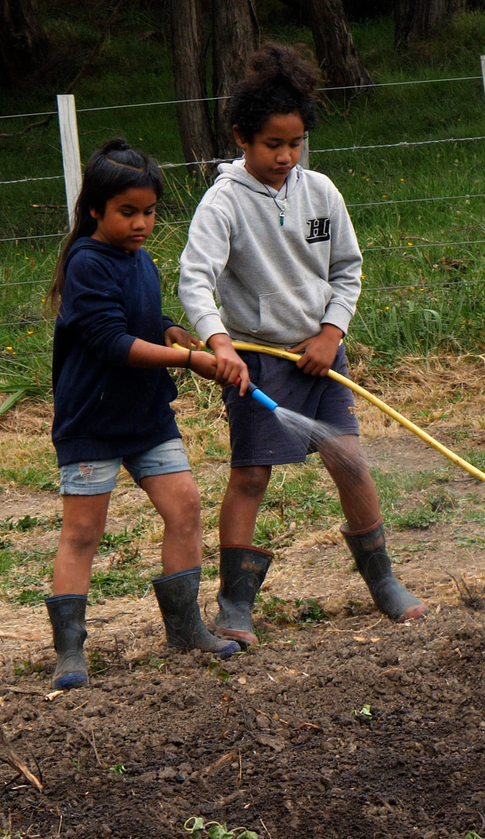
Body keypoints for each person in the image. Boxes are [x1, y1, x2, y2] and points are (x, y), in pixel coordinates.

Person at [179, 42, 425, 643]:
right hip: (260, 363)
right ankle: (235, 604)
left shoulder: (322, 194)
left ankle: (384, 581)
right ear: (242, 137)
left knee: (350, 463)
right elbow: (195, 278)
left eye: (294, 144)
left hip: (321, 357)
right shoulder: (223, 203)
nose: (286, 156)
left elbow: (348, 270)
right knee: (252, 476)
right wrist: (221, 344)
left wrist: (331, 332)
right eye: (272, 145)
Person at [45, 138, 239, 689]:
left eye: (149, 212)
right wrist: (189, 359)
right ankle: (70, 653)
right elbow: (110, 342)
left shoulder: (141, 261)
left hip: (148, 416)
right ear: (94, 211)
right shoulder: (86, 263)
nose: (141, 223)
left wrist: (173, 330)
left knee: (185, 508)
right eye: (127, 212)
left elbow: (140, 321)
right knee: (82, 533)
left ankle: (184, 630)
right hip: (92, 423)